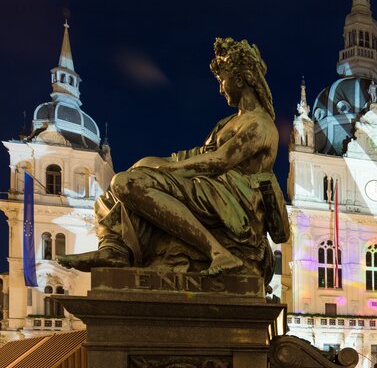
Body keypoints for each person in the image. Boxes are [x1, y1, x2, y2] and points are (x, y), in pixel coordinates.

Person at [58, 38, 290, 288]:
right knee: (119, 186)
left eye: (222, 80)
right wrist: (155, 162)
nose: (221, 88)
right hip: (211, 186)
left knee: (128, 183)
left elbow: (221, 160)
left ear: (240, 79)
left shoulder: (261, 124)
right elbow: (199, 154)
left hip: (234, 198)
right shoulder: (227, 123)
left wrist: (170, 169)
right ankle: (115, 248)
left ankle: (218, 252)